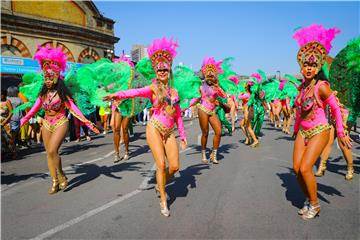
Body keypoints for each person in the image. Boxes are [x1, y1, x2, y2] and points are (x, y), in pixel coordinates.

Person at [104, 37, 187, 217]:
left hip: (169, 131)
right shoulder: (152, 88)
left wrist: (183, 135)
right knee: (160, 163)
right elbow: (133, 92)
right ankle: (163, 199)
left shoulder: (174, 92)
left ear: (169, 70)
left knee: (174, 167)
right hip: (154, 128)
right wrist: (116, 95)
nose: (163, 71)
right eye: (160, 69)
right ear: (156, 71)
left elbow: (178, 115)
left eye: (165, 68)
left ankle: (160, 183)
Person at [292, 24, 353, 219]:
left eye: (312, 65)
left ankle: (315, 205)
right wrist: (295, 129)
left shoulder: (321, 87)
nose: (308, 68)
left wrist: (341, 133)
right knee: (296, 169)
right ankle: (309, 199)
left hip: (320, 129)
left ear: (318, 67)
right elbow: (300, 113)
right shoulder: (301, 88)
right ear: (301, 66)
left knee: (305, 168)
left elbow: (335, 108)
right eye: (306, 65)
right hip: (303, 131)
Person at [20, 46, 99, 194]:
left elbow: (74, 109)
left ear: (56, 77)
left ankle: (61, 175)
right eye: (46, 78)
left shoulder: (62, 93)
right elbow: (34, 108)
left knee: (52, 150)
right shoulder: (43, 94)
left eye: (50, 78)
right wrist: (24, 118)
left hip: (60, 122)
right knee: (49, 153)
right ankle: (55, 180)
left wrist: (88, 122)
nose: (47, 81)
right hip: (46, 124)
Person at [188, 57, 226, 164]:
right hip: (203, 109)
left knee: (218, 131)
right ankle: (204, 153)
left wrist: (218, 87)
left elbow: (224, 96)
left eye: (212, 74)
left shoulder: (216, 86)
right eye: (208, 74)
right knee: (205, 133)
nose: (210, 76)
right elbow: (196, 98)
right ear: (205, 75)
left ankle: (213, 155)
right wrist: (185, 108)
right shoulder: (201, 85)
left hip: (212, 111)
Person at [315, 93, 354, 180]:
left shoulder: (350, 84)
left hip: (344, 115)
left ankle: (350, 168)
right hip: (333, 115)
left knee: (343, 143)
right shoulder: (329, 84)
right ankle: (322, 166)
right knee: (328, 141)